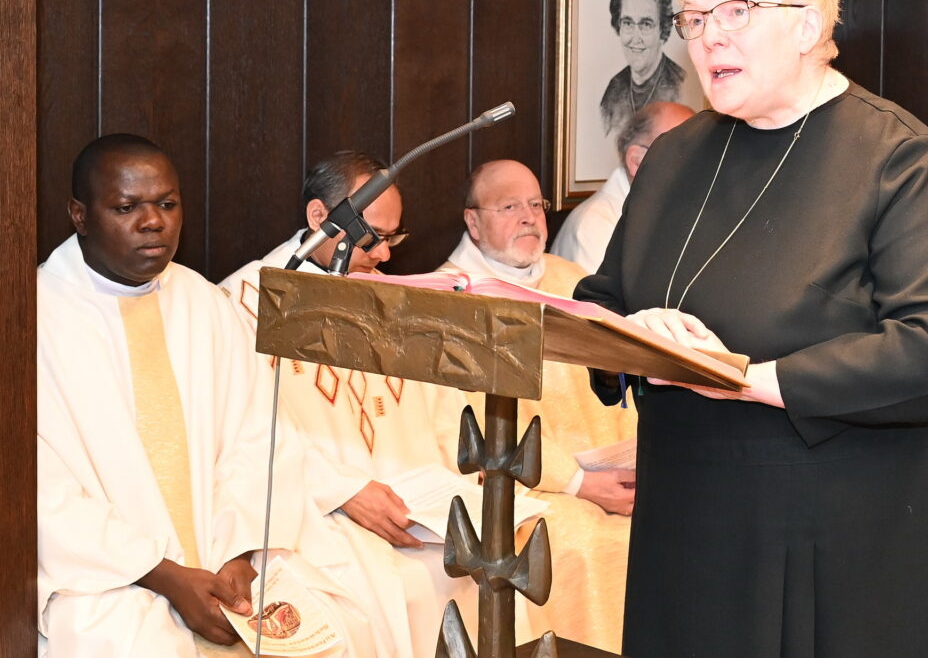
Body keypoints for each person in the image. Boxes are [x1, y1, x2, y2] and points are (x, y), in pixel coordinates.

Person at [574, 0, 928, 657]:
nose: (707, 39)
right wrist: (632, 343)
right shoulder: (676, 155)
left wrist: (746, 379)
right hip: (688, 511)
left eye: (735, 11)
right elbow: (603, 295)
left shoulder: (896, 156)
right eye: (694, 19)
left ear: (809, 25)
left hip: (843, 522)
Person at [37, 135, 384, 657]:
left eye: (167, 204)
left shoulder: (203, 302)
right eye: (127, 207)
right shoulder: (35, 317)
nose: (153, 221)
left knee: (345, 623)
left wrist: (239, 557)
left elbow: (258, 438)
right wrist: (167, 576)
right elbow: (43, 491)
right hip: (110, 577)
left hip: (228, 560)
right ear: (79, 216)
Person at [220, 150, 478, 658]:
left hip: (410, 499)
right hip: (314, 508)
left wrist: (469, 470)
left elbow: (439, 409)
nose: (383, 256)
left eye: (393, 237)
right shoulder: (246, 300)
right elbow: (242, 432)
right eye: (372, 237)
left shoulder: (391, 298)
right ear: (320, 217)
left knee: (482, 560)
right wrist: (344, 491)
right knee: (374, 594)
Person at [439, 159, 635, 653]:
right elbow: (461, 420)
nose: (529, 217)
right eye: (509, 206)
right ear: (473, 222)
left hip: (614, 476)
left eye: (535, 204)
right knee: (580, 547)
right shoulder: (449, 300)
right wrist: (581, 483)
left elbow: (621, 385)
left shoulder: (575, 282)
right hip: (523, 489)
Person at [551, 101, 695, 273]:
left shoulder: (683, 212)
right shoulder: (594, 227)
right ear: (636, 160)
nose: (692, 164)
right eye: (679, 152)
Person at [600, 0, 689, 139]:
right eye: (627, 23)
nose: (635, 37)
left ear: (662, 29)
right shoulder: (613, 92)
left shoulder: (680, 86)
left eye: (646, 24)